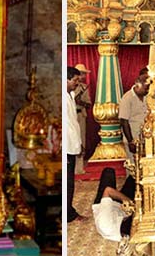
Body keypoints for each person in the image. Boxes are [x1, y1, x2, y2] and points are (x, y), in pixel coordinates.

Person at [92, 167, 137, 241]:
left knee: (108, 172)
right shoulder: (128, 234)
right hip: (121, 207)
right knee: (133, 177)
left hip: (105, 203)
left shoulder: (105, 225)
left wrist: (130, 201)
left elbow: (108, 191)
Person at [64, 66, 84, 222]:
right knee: (68, 183)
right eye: (75, 80)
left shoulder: (70, 95)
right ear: (67, 79)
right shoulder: (63, 98)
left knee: (70, 181)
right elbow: (68, 126)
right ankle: (68, 214)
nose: (77, 83)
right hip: (67, 147)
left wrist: (79, 144)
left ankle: (69, 212)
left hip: (72, 145)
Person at [119, 69, 150, 163]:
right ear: (137, 84)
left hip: (147, 138)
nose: (147, 91)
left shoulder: (148, 96)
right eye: (145, 88)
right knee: (133, 166)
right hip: (133, 137)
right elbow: (124, 121)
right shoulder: (127, 98)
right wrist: (130, 141)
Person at [73, 64, 93, 175]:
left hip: (80, 115)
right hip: (71, 116)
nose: (83, 76)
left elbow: (89, 104)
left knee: (81, 140)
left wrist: (81, 102)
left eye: (84, 74)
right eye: (82, 74)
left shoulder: (83, 88)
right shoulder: (69, 87)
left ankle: (79, 168)